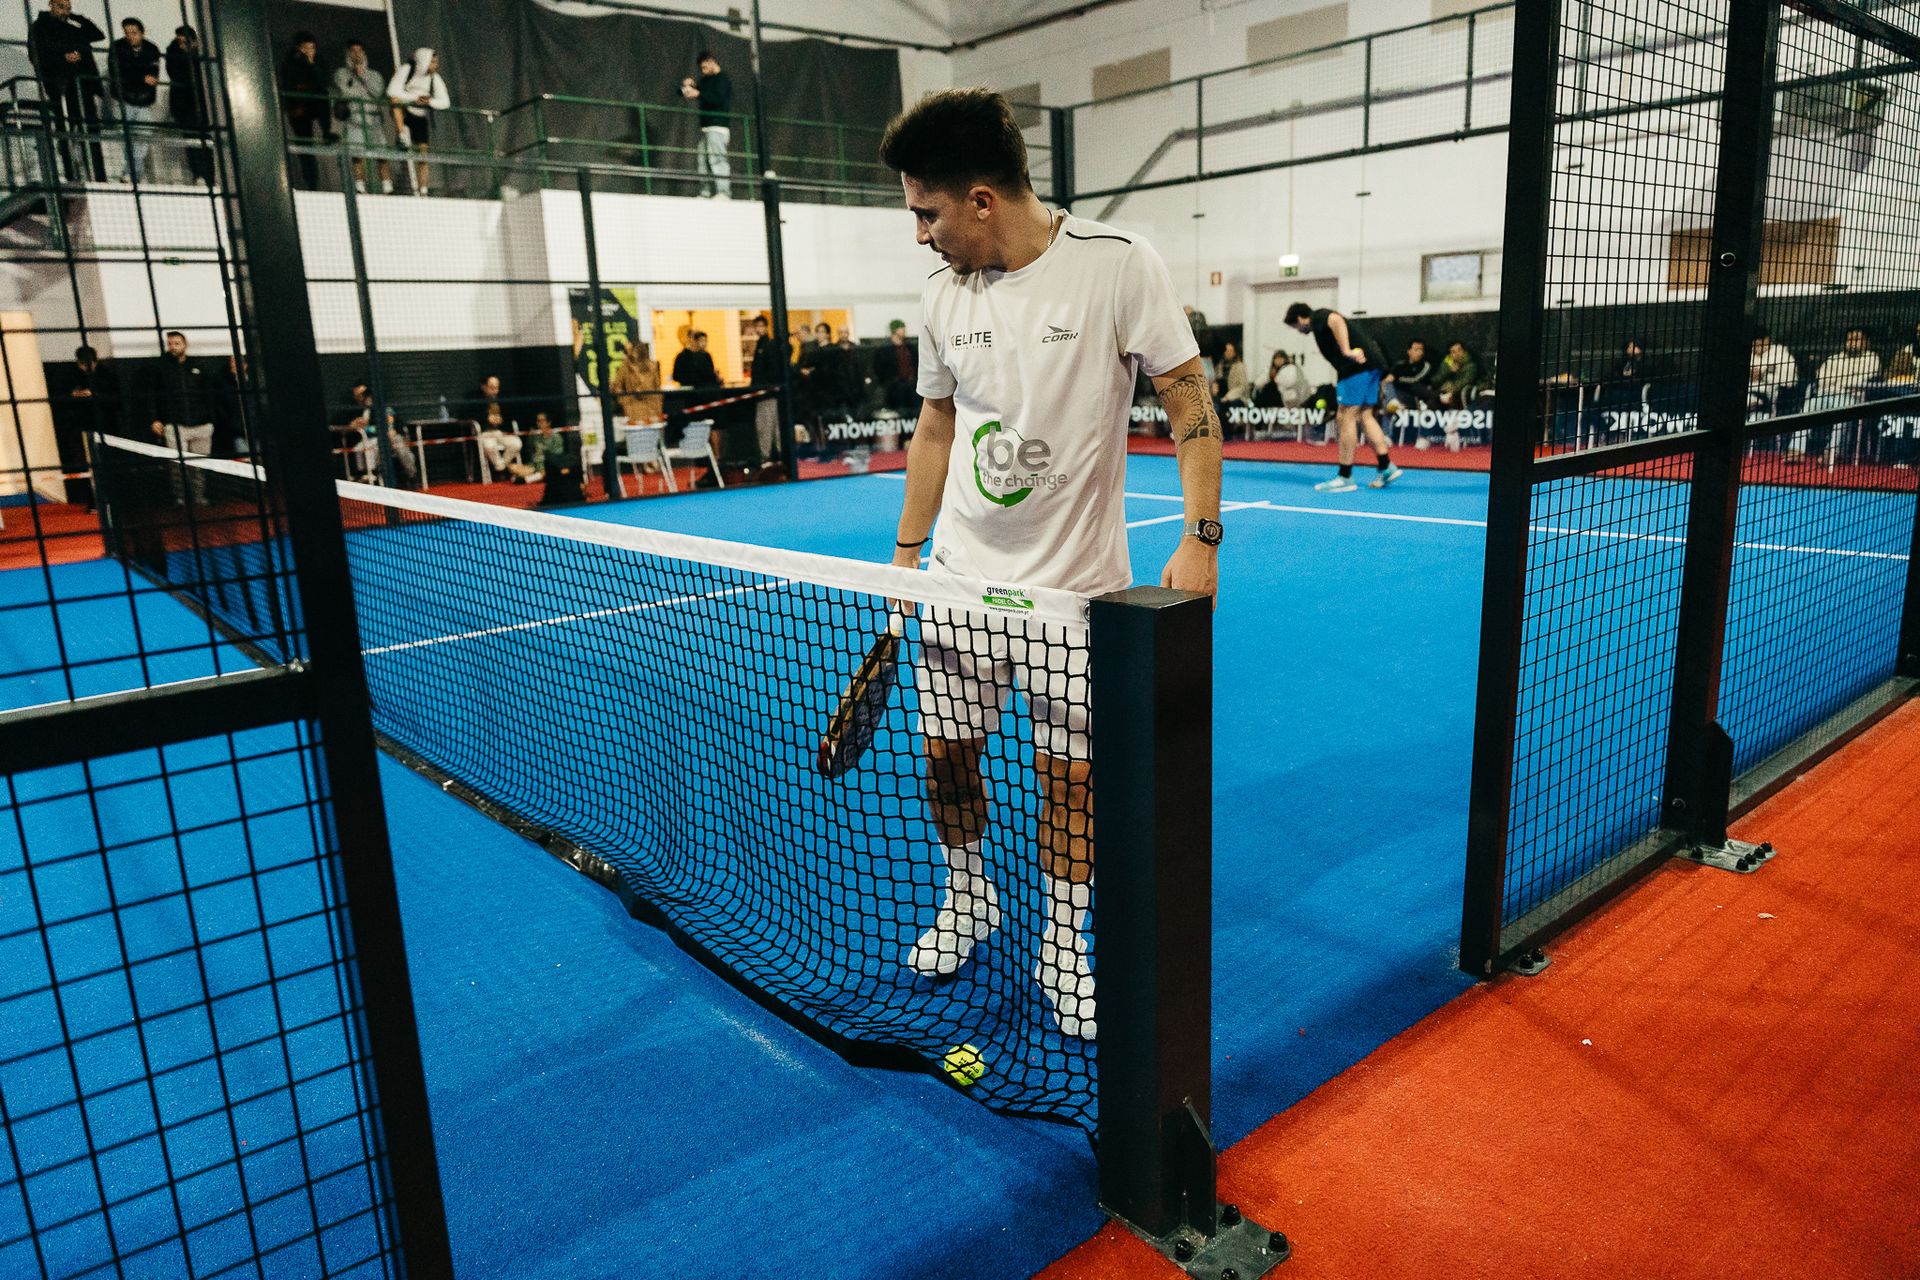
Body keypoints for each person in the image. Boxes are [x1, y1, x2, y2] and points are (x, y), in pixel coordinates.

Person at [880, 88, 1221, 1039]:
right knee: (947, 757)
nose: (919, 233)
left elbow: (1190, 401)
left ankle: (1065, 942)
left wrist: (1200, 538)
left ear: (981, 199)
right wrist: (908, 555)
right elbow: (937, 425)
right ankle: (969, 894)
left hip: (1075, 593)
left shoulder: (1118, 265)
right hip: (956, 578)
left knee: (1069, 778)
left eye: (926, 211)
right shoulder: (941, 292)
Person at [1286, 301, 1401, 492]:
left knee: (1345, 416)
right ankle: (1386, 465)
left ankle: (1345, 476)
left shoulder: (1320, 316)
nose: (1298, 330)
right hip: (1371, 366)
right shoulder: (1318, 322)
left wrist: (1347, 351)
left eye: (1296, 326)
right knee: (1365, 414)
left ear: (1299, 319)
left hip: (1355, 368)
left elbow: (1336, 320)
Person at [30, 0, 106, 182]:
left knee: (92, 131)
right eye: (61, 6)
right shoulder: (40, 27)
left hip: (84, 85)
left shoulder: (74, 26)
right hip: (61, 87)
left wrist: (75, 16)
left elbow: (98, 34)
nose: (65, 11)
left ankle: (99, 176)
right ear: (51, 5)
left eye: (68, 7)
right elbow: (37, 55)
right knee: (66, 132)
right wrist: (63, 58)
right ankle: (72, 175)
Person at [1794, 327, 1882, 464]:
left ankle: (1833, 452)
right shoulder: (1834, 358)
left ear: (1866, 342)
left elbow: (1863, 380)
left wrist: (1838, 381)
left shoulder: (1872, 358)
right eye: (1849, 339)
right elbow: (1822, 379)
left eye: (1857, 340)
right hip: (1827, 395)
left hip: (1853, 398)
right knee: (1809, 406)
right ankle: (1796, 451)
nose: (1852, 343)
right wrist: (1845, 380)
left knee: (1843, 408)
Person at [52, 345, 122, 506]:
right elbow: (60, 400)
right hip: (80, 428)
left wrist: (95, 395)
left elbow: (116, 401)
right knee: (85, 466)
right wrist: (74, 396)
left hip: (105, 427)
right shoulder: (69, 376)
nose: (86, 368)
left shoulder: (107, 376)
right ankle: (91, 501)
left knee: (108, 463)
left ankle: (113, 499)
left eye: (89, 365)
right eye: (82, 365)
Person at [332, 39, 394, 194]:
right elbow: (344, 91)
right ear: (348, 53)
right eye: (353, 51)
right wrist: (359, 88)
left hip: (373, 119)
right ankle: (360, 187)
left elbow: (377, 92)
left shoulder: (374, 75)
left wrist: (364, 77)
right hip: (354, 118)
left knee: (381, 153)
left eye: (359, 51)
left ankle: (387, 187)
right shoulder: (341, 73)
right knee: (357, 154)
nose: (356, 54)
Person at [104, 18, 160, 183]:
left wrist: (135, 76)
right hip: (124, 100)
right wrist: (141, 77)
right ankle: (133, 175)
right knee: (128, 140)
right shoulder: (118, 47)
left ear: (142, 33)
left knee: (141, 139)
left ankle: (130, 174)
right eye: (127, 33)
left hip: (143, 101)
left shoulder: (151, 49)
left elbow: (152, 76)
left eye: (134, 33)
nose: (130, 37)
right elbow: (117, 73)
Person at [388, 48, 448, 196]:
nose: (435, 65)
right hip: (406, 111)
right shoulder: (407, 69)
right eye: (432, 61)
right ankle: (402, 134)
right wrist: (414, 98)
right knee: (395, 102)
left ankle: (423, 190)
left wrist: (430, 101)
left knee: (423, 154)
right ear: (424, 60)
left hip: (420, 116)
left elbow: (445, 102)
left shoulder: (435, 78)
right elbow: (392, 91)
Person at [335, 380, 417, 484]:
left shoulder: (386, 409)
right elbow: (367, 428)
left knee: (400, 447)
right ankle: (368, 474)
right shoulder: (365, 411)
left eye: (368, 397)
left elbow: (394, 423)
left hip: (393, 437)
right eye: (365, 398)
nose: (367, 400)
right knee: (362, 448)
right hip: (374, 439)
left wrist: (392, 431)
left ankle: (412, 475)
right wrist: (361, 426)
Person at [278, 32, 330, 191]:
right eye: (305, 48)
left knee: (323, 98)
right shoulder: (290, 63)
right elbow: (289, 83)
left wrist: (312, 64)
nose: (309, 51)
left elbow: (322, 84)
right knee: (305, 144)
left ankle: (326, 131)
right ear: (298, 48)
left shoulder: (318, 61)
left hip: (313, 104)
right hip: (298, 108)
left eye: (312, 48)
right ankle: (311, 183)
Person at [680, 51, 732, 198]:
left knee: (717, 159)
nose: (702, 71)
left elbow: (717, 99)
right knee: (702, 161)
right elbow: (683, 92)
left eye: (704, 67)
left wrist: (698, 94)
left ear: (711, 62)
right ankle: (705, 192)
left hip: (718, 126)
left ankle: (724, 192)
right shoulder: (704, 81)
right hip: (706, 128)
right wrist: (688, 86)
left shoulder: (723, 79)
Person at [166, 26, 212, 187]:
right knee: (192, 142)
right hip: (186, 106)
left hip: (203, 105)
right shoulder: (174, 55)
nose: (181, 46)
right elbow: (178, 75)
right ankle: (199, 174)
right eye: (179, 42)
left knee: (206, 142)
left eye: (185, 42)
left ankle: (208, 175)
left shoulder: (203, 55)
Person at [512, 411, 583, 503]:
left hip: (548, 467)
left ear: (548, 422)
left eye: (542, 421)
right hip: (534, 466)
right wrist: (530, 438)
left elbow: (557, 456)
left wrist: (544, 453)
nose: (539, 423)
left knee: (546, 472)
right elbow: (532, 453)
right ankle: (533, 477)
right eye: (538, 421)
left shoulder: (556, 437)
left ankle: (527, 479)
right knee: (512, 467)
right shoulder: (536, 437)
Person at [748, 316, 787, 470]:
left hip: (767, 392)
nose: (759, 329)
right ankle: (775, 456)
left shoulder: (767, 346)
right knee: (770, 425)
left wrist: (765, 386)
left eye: (761, 326)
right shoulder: (762, 345)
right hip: (765, 392)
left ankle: (768, 457)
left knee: (767, 426)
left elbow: (770, 369)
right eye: (757, 326)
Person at [872, 318, 920, 417]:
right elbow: (879, 369)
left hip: (912, 386)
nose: (904, 330)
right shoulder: (884, 350)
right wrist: (889, 382)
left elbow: (916, 364)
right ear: (895, 330)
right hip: (894, 388)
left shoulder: (910, 348)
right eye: (901, 327)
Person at [1748, 327, 1798, 416]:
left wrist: (1763, 375)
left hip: (1776, 394)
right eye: (1754, 346)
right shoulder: (1751, 356)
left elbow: (1789, 381)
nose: (1756, 349)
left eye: (1759, 345)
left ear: (1767, 341)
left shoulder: (1782, 356)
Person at [610, 339, 662, 424]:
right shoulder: (625, 367)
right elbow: (617, 386)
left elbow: (657, 387)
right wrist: (625, 400)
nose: (629, 353)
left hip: (652, 407)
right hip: (633, 408)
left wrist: (658, 403)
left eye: (631, 350)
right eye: (627, 351)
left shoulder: (653, 366)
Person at [1385, 339, 1436, 412]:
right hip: (1399, 393)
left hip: (1417, 396)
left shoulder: (1426, 365)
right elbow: (1389, 379)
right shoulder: (1399, 365)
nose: (1419, 353)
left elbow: (1415, 380)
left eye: (1421, 350)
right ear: (1409, 351)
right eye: (1416, 350)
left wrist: (1397, 379)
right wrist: (1389, 380)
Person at [476, 402, 523, 478]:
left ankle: (501, 467)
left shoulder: (503, 412)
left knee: (516, 443)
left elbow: (510, 422)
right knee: (489, 446)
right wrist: (487, 420)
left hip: (500, 433)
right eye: (492, 408)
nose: (495, 409)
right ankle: (501, 469)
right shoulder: (481, 413)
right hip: (486, 434)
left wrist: (501, 422)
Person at [1213, 341, 1251, 426]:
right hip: (1221, 396)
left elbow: (1242, 387)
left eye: (1230, 350)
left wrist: (1228, 397)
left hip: (1236, 398)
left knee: (1226, 405)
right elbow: (1216, 381)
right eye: (1226, 350)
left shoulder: (1239, 367)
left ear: (1235, 352)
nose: (1228, 353)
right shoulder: (1220, 366)